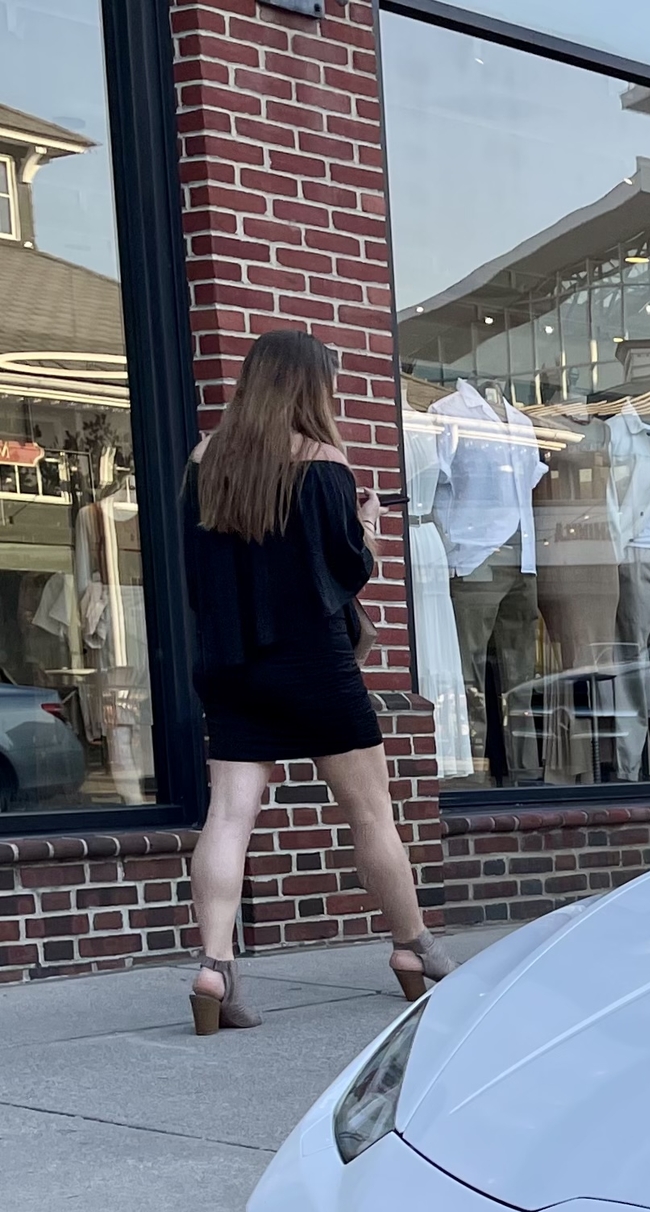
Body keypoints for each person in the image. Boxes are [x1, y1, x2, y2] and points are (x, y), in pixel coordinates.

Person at [181, 329, 452, 1035]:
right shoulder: (324, 463)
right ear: (309, 386)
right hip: (314, 665)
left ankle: (214, 966)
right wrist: (366, 529)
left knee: (229, 818)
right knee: (370, 814)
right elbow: (344, 570)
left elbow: (197, 580)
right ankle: (412, 948)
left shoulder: (204, 462)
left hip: (232, 665)